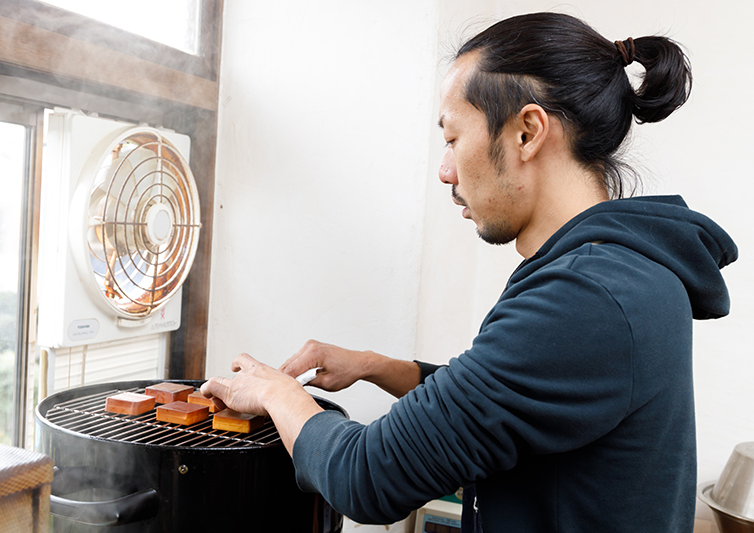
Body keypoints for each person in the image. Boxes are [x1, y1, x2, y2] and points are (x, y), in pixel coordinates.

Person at [201, 12, 738, 532]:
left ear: (527, 132)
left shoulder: (589, 297)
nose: (444, 171)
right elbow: (505, 398)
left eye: (454, 139)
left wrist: (277, 393)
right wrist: (376, 365)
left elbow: (365, 478)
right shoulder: (620, 273)